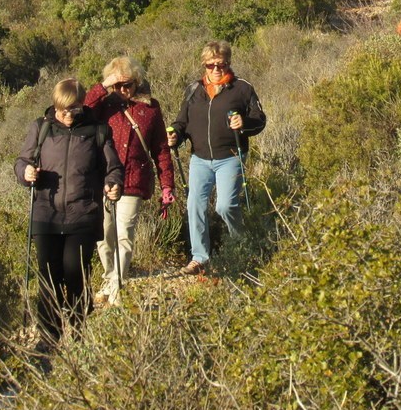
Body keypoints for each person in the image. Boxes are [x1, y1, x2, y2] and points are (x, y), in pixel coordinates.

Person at [15, 78, 123, 346]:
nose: (67, 115)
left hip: (83, 214)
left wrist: (114, 184)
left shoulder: (98, 131)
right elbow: (22, 161)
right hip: (45, 214)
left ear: (82, 104)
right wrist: (25, 173)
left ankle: (78, 331)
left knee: (75, 273)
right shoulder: (41, 128)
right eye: (63, 109)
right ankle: (50, 339)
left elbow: (114, 167)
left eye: (73, 109)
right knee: (48, 277)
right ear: (55, 105)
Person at [166, 40, 266, 275]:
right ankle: (200, 257)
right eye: (211, 65)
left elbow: (260, 119)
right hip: (199, 159)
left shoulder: (242, 88)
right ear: (204, 65)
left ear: (228, 63)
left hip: (230, 156)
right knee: (195, 205)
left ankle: (241, 247)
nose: (216, 69)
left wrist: (245, 123)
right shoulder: (194, 90)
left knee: (225, 206)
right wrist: (175, 135)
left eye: (221, 64)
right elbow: (182, 122)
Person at [84, 56, 175, 305]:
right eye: (118, 85)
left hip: (134, 179)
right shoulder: (102, 106)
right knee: (103, 235)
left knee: (124, 233)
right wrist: (104, 86)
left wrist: (167, 184)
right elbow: (83, 111)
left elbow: (161, 148)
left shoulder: (151, 108)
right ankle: (110, 276)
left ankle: (117, 286)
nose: (124, 90)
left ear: (137, 82)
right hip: (102, 178)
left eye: (129, 84)